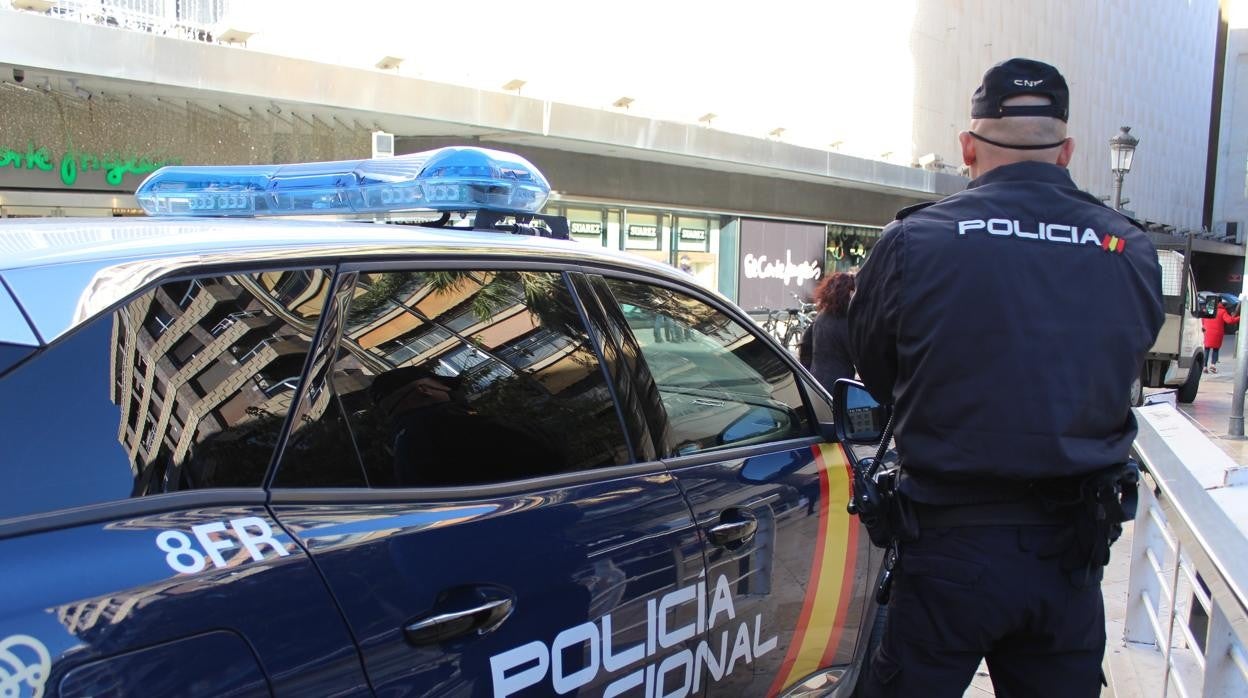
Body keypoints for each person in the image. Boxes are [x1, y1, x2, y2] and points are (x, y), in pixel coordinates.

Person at [847, 58, 1164, 697]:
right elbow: (1122, 364)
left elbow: (879, 372)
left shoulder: (916, 239)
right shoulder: (1127, 247)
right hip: (1070, 554)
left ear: (968, 147)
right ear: (1067, 150)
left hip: (948, 547)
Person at [799, 272, 856, 389]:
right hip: (839, 385)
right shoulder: (845, 321)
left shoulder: (821, 316)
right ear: (848, 293)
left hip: (816, 381)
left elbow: (805, 345)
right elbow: (859, 356)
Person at [1201, 300, 1239, 373]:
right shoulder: (1222, 311)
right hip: (1217, 334)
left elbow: (1203, 321)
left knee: (1206, 349)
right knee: (1215, 349)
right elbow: (1229, 321)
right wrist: (1239, 317)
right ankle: (1213, 366)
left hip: (1207, 333)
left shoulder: (1208, 310)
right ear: (1220, 303)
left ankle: (1204, 367)